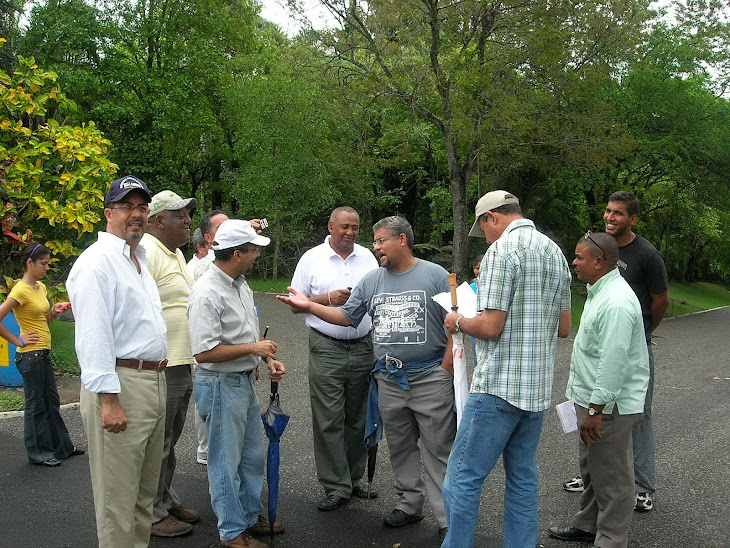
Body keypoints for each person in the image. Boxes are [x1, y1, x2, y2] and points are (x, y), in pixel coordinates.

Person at [279, 215, 456, 539]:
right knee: (401, 447)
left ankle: (448, 520)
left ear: (402, 239)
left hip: (430, 378)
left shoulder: (435, 276)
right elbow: (347, 317)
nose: (375, 247)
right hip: (389, 379)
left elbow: (456, 324)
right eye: (373, 241)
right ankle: (409, 505)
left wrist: (446, 369)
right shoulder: (373, 280)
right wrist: (309, 305)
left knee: (437, 449)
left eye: (381, 240)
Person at [441, 190, 572, 548]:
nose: (485, 236)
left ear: (492, 218)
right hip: (535, 389)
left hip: (498, 387)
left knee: (463, 477)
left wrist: (458, 320)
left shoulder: (502, 251)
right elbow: (563, 327)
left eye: (483, 228)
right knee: (522, 478)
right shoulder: (555, 253)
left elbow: (490, 326)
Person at [67, 175, 168, 548]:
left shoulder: (137, 259)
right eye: (127, 207)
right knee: (118, 503)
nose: (136, 214)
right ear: (109, 213)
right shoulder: (97, 263)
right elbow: (93, 336)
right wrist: (108, 400)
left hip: (150, 382)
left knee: (144, 497)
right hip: (121, 385)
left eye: (142, 207)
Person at [562, 191, 669, 513]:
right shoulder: (598, 248)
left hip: (629, 342)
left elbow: (660, 300)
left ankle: (642, 486)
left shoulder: (647, 255)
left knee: (632, 417)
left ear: (633, 219)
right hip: (608, 339)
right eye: (608, 211)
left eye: (618, 213)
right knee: (597, 419)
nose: (610, 217)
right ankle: (596, 476)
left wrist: (641, 334)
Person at [188, 219, 286, 548]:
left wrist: (265, 358)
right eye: (254, 249)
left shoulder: (240, 283)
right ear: (237, 253)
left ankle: (248, 515)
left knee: (251, 458)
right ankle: (231, 532)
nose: (257, 254)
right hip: (218, 385)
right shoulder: (206, 292)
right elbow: (203, 353)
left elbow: (246, 335)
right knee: (224, 462)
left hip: (241, 383)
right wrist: (253, 349)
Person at [548, 231, 649, 548]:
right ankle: (588, 525)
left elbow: (613, 363)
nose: (574, 262)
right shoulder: (600, 290)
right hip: (591, 403)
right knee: (592, 468)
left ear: (598, 261)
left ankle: (611, 539)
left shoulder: (617, 302)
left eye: (579, 257)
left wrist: (594, 410)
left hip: (606, 408)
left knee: (614, 479)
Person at [289, 206, 379, 511]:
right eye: (344, 227)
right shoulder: (311, 259)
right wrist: (328, 299)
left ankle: (353, 480)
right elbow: (294, 304)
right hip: (327, 346)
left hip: (364, 344)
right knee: (329, 418)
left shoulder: (368, 257)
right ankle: (335, 486)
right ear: (330, 226)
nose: (350, 233)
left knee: (359, 417)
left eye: (355, 227)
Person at [143, 190, 201, 537]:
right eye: (181, 216)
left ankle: (164, 498)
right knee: (158, 442)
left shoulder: (174, 253)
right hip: (163, 365)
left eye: (189, 215)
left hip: (182, 361)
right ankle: (150, 513)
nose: (188, 221)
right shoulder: (147, 253)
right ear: (158, 220)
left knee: (171, 438)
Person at [0, 242, 84, 467]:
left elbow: (42, 319)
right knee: (36, 405)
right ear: (30, 263)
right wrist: (17, 340)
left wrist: (53, 312)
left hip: (42, 353)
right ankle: (38, 453)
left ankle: (62, 447)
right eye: (43, 264)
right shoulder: (19, 290)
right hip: (29, 355)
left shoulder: (41, 288)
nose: (47, 268)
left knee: (51, 402)